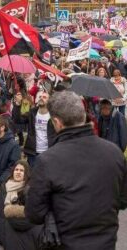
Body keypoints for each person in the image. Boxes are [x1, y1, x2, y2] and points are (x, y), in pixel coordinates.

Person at [25, 91, 127, 250]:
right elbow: (121, 200)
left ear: (57, 122)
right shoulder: (113, 153)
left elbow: (34, 213)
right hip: (104, 242)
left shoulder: (48, 161)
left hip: (67, 242)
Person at [0, 160, 41, 250]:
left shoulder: (29, 191)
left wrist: (13, 217)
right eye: (16, 169)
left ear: (27, 173)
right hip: (2, 234)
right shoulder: (3, 188)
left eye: (22, 170)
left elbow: (32, 218)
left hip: (20, 239)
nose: (18, 172)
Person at [12, 90, 56, 167]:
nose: (41, 98)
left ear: (49, 101)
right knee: (32, 175)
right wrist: (18, 105)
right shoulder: (32, 112)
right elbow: (18, 120)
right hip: (33, 152)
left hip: (48, 151)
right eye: (40, 97)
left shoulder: (54, 115)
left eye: (44, 97)